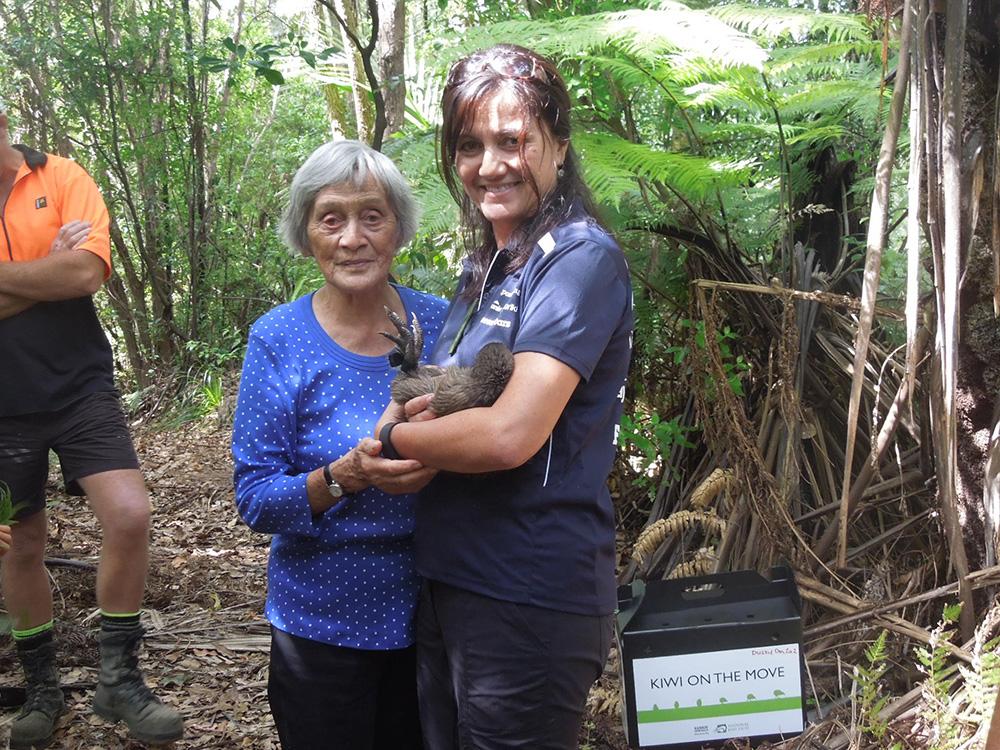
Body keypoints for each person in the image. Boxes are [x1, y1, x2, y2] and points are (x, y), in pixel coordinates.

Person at [373, 44, 634, 749]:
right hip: (449, 577)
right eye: (469, 145)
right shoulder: (488, 264)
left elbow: (506, 435)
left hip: (527, 590)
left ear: (558, 144)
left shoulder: (578, 259)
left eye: (512, 141)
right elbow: (438, 395)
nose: (488, 164)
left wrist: (394, 443)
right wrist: (404, 426)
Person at [231, 139, 447, 750]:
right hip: (322, 624)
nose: (353, 237)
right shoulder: (279, 339)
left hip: (437, 616)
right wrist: (343, 475)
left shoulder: (441, 323)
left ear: (399, 227)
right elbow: (255, 498)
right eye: (332, 218)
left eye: (372, 216)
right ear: (308, 234)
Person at [0, 109, 184, 747]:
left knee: (130, 514)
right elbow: (61, 275)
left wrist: (59, 272)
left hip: (81, 386)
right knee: (20, 543)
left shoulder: (61, 175)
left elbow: (85, 273)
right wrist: (43, 272)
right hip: (2, 405)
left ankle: (118, 677)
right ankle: (42, 688)